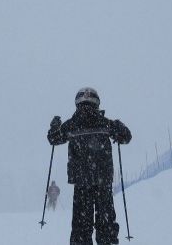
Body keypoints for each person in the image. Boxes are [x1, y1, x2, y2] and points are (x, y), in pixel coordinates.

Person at [48, 87, 132, 245]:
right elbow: (126, 137)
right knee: (105, 221)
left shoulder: (71, 125)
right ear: (97, 103)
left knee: (81, 224)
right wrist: (120, 128)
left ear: (77, 102)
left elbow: (53, 139)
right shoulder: (105, 123)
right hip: (103, 180)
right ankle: (107, 241)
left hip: (81, 181)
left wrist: (54, 127)